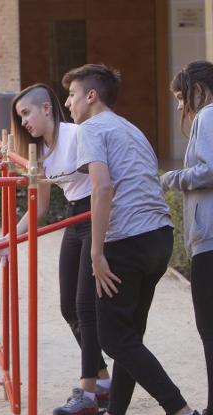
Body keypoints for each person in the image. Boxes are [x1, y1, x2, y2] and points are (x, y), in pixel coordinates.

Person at [63, 63, 198, 415]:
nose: (67, 103)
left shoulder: (91, 128)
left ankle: (180, 410)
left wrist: (95, 253)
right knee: (128, 337)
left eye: (72, 95)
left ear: (91, 96)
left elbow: (102, 187)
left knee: (111, 338)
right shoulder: (129, 128)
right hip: (159, 237)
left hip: (127, 239)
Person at [0, 84, 110, 415]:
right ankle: (104, 380)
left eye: (26, 113)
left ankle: (87, 392)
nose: (24, 121)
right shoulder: (38, 153)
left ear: (46, 109)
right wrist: (7, 240)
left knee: (85, 305)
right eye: (20, 116)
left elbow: (104, 182)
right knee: (68, 308)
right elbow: (39, 208)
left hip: (95, 215)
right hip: (74, 217)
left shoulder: (77, 135)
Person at [161, 60, 213, 415]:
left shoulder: (207, 116)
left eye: (181, 97)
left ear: (197, 90)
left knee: (208, 327)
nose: (180, 107)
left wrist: (171, 179)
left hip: (210, 241)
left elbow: (210, 169)